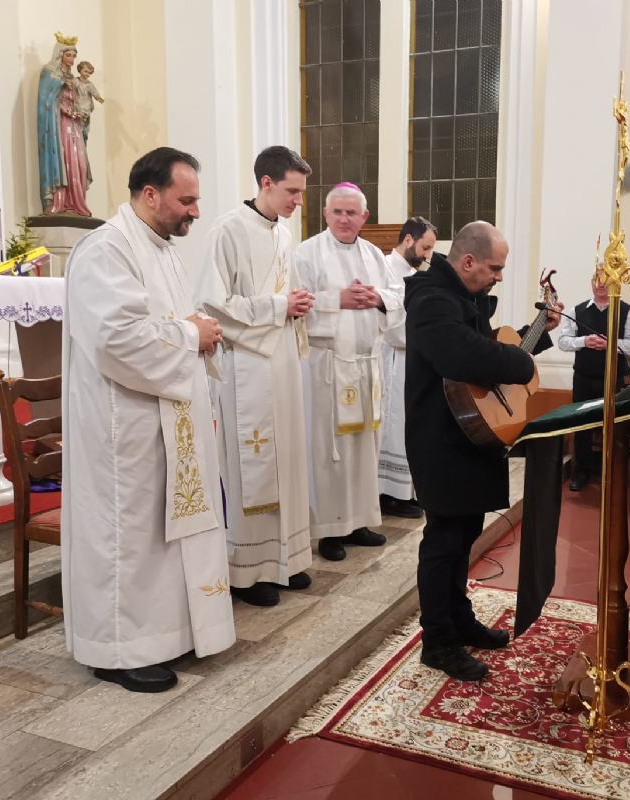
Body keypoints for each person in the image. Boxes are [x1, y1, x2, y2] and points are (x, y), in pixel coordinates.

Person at [61, 147, 235, 693]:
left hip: (165, 420)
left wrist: (198, 330)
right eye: (186, 200)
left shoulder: (161, 249)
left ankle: (163, 634)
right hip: (124, 430)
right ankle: (115, 649)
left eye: (196, 200)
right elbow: (116, 339)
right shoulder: (105, 251)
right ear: (150, 193)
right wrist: (191, 335)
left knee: (162, 537)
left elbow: (169, 321)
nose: (195, 212)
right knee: (127, 537)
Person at [405, 221, 559, 681]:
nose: (499, 276)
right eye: (495, 267)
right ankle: (438, 640)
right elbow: (462, 355)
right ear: (468, 261)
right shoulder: (431, 297)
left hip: (469, 435)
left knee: (462, 539)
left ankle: (460, 619)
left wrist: (538, 334)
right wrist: (521, 362)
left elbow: (488, 350)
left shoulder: (462, 295)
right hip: (440, 440)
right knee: (443, 543)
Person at [195, 145, 315, 608]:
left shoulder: (283, 235)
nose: (297, 201)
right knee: (253, 467)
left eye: (301, 192)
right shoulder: (227, 230)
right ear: (265, 183)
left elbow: (284, 295)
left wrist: (296, 305)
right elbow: (212, 302)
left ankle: (285, 559)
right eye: (292, 191)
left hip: (281, 360)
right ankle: (250, 571)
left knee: (285, 461)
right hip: (245, 366)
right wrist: (280, 306)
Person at [294, 183, 404, 562]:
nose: (344, 219)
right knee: (330, 451)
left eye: (351, 213)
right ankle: (329, 531)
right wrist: (336, 300)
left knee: (364, 447)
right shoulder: (305, 254)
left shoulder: (376, 255)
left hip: (366, 366)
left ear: (364, 217)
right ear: (325, 214)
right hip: (327, 367)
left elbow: (398, 297)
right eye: (337, 212)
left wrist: (377, 299)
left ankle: (359, 521)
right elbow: (296, 305)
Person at [557, 265, 630, 491]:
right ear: (591, 282)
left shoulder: (626, 311)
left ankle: (611, 473)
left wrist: (611, 344)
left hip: (613, 379)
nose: (601, 284)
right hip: (584, 378)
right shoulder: (577, 311)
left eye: (606, 279)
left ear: (615, 283)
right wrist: (583, 341)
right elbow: (563, 341)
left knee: (613, 427)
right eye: (597, 279)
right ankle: (582, 473)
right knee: (583, 426)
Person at [378, 216, 437, 519]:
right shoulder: (384, 268)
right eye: (426, 247)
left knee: (406, 423)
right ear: (409, 239)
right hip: (390, 357)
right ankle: (389, 494)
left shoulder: (416, 274)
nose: (428, 255)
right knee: (392, 424)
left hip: (409, 357)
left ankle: (404, 491)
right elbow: (390, 323)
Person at [37, 35, 91, 216]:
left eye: (74, 56)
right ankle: (60, 201)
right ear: (60, 55)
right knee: (64, 160)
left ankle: (77, 202)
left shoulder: (74, 79)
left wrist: (84, 110)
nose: (72, 60)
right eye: (69, 55)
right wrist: (61, 85)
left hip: (76, 126)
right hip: (60, 127)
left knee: (80, 164)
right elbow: (46, 101)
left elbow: (83, 99)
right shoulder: (49, 73)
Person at [74, 61, 104, 144]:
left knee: (85, 129)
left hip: (86, 108)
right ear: (80, 70)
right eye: (85, 71)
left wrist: (99, 99)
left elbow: (95, 92)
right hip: (77, 107)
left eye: (89, 73)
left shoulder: (89, 84)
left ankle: (84, 140)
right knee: (77, 128)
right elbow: (70, 89)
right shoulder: (75, 81)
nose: (87, 74)